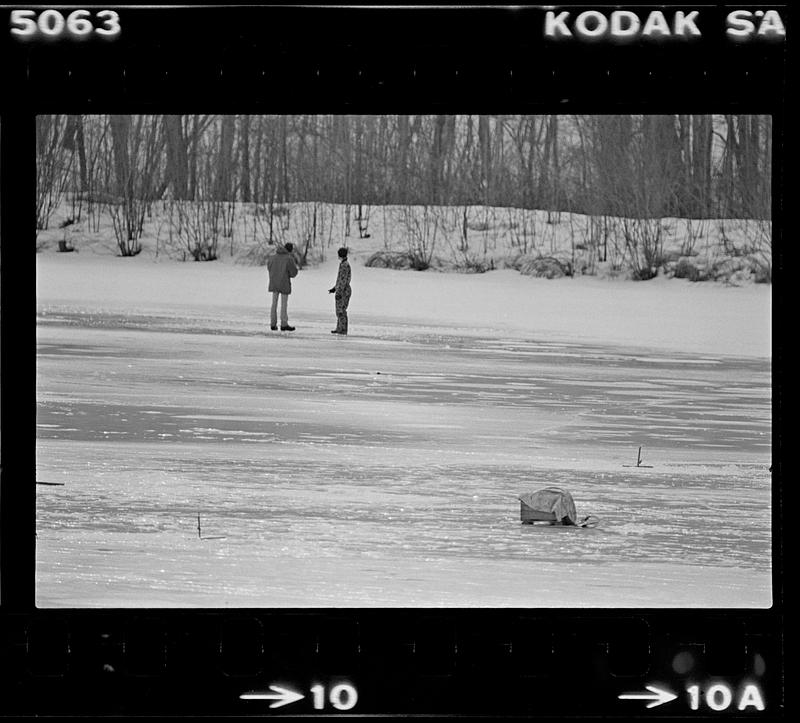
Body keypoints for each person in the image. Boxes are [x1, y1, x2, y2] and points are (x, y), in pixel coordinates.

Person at [267, 242, 298, 331]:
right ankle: (284, 324)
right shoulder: (289, 259)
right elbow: (293, 273)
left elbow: (269, 267)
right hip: (284, 283)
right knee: (284, 305)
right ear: (290, 250)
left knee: (274, 304)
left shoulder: (272, 258)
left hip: (274, 283)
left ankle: (273, 323)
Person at [328, 246, 352, 335]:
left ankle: (342, 329)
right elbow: (340, 280)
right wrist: (335, 288)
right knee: (340, 310)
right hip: (342, 289)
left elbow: (343, 280)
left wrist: (340, 291)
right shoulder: (343, 264)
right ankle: (340, 328)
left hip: (344, 291)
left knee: (341, 310)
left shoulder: (345, 265)